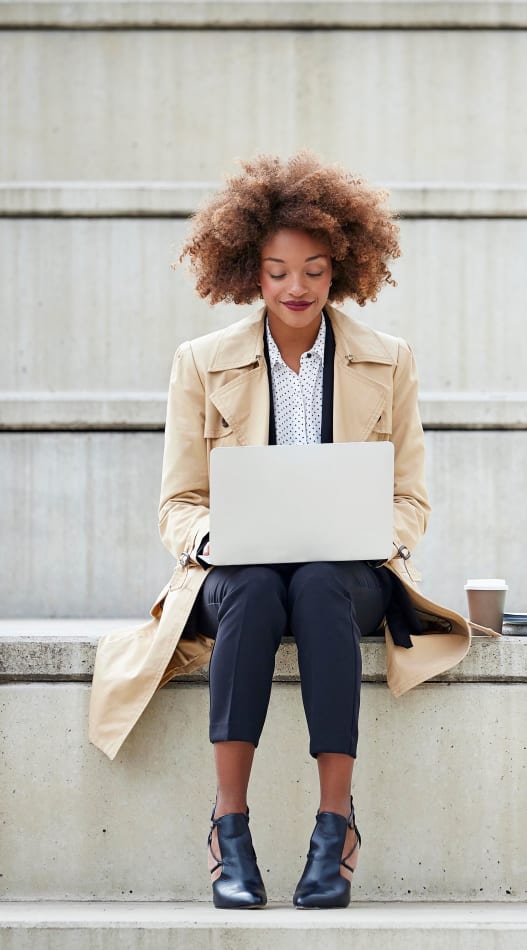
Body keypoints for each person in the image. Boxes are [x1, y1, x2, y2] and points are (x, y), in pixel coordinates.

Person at [88, 152, 487, 909]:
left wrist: (379, 533)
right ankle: (228, 826)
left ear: (342, 266)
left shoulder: (388, 360)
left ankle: (335, 824)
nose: (295, 288)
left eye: (312, 269)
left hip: (349, 573)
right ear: (248, 272)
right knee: (254, 588)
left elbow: (412, 498)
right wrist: (215, 537)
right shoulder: (201, 364)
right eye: (276, 271)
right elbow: (178, 502)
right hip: (235, 573)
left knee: (319, 582)